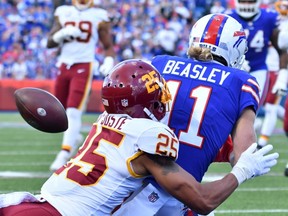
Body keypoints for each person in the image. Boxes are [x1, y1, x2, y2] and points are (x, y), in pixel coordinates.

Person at [0, 59, 279, 216]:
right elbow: (202, 201)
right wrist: (241, 172)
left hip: (26, 206)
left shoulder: (103, 123)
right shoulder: (148, 136)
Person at [113, 13, 275, 216]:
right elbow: (244, 157)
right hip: (181, 194)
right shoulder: (242, 81)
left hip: (128, 184)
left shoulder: (159, 63)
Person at [46, 0, 115, 171]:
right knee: (60, 109)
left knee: (73, 110)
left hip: (84, 65)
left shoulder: (98, 15)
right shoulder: (63, 12)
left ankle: (64, 152)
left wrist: (109, 60)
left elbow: (107, 45)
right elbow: (49, 43)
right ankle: (74, 137)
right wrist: (61, 34)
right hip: (63, 65)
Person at [227, 0, 288, 107]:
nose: (247, 5)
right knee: (228, 106)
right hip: (232, 69)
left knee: (251, 108)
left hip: (258, 69)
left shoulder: (269, 18)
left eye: (250, 1)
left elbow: (282, 49)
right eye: (243, 1)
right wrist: (236, 61)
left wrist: (282, 77)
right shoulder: (227, 17)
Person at [256, 0, 288, 175]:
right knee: (269, 108)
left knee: (270, 108)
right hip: (266, 71)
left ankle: (261, 142)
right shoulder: (270, 23)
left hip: (278, 71)